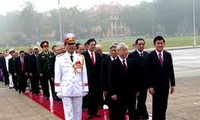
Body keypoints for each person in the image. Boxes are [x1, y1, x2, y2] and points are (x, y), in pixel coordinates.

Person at [54, 33, 88, 120]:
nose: (71, 46)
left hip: (78, 88)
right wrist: (58, 90)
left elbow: (84, 74)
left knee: (78, 111)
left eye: (73, 43)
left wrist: (85, 88)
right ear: (65, 45)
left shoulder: (81, 57)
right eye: (69, 44)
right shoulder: (59, 58)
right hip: (66, 89)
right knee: (68, 112)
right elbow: (57, 75)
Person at [146, 36, 175, 120]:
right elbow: (147, 72)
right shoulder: (150, 56)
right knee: (157, 106)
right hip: (155, 87)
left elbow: (171, 70)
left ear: (164, 44)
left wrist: (172, 84)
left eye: (161, 43)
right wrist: (150, 86)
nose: (160, 45)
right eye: (158, 43)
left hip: (165, 85)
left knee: (164, 105)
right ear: (154, 44)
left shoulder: (168, 55)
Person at [109, 43, 140, 120]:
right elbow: (111, 79)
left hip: (131, 92)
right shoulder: (113, 64)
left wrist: (137, 90)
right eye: (123, 50)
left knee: (132, 111)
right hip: (119, 93)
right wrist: (113, 93)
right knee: (120, 112)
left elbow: (136, 77)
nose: (126, 52)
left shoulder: (132, 62)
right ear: (118, 51)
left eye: (126, 50)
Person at [128, 38, 149, 119]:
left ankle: (141, 113)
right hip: (135, 82)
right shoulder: (131, 55)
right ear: (136, 45)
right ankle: (142, 114)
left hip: (144, 82)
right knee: (136, 100)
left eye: (143, 44)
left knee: (142, 99)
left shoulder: (147, 54)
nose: (141, 46)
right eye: (139, 44)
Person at [83, 38, 102, 118]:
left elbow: (99, 68)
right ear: (87, 45)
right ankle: (90, 112)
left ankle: (95, 112)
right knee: (89, 96)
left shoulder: (97, 55)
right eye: (92, 45)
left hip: (97, 80)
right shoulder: (83, 55)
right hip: (88, 79)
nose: (93, 46)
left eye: (94, 45)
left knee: (96, 96)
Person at [101, 43, 118, 120]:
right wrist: (104, 88)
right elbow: (103, 75)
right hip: (108, 87)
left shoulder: (120, 60)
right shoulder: (105, 61)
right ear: (109, 52)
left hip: (118, 87)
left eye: (115, 50)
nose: (113, 52)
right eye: (112, 51)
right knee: (111, 105)